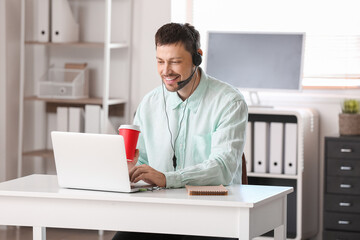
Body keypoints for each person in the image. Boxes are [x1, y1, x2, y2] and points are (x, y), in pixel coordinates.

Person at [112, 23, 248, 240]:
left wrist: (167, 178)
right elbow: (143, 160)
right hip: (161, 213)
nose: (166, 71)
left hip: (215, 213)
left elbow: (222, 168)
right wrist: (131, 169)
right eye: (160, 61)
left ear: (197, 58)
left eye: (175, 62)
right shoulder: (150, 103)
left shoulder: (229, 102)